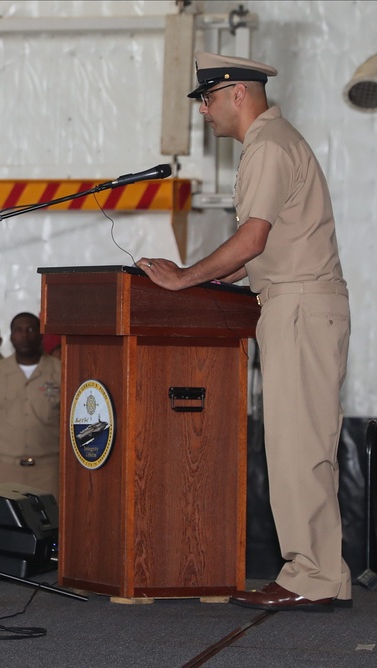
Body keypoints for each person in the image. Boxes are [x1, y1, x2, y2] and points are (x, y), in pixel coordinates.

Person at [138, 52, 351, 612]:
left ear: (236, 93)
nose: (204, 112)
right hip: (296, 302)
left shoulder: (267, 146)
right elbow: (254, 253)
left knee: (297, 446)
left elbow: (252, 240)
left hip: (300, 305)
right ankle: (322, 573)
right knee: (302, 444)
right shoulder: (274, 143)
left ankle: (312, 575)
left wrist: (186, 278)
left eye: (206, 99)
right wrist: (191, 280)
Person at [0, 313, 61, 495]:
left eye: (31, 330)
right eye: (18, 330)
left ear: (41, 336)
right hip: (5, 468)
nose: (24, 335)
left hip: (48, 469)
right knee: (1, 523)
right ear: (11, 337)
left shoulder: (60, 371)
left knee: (51, 522)